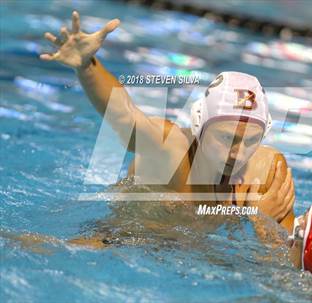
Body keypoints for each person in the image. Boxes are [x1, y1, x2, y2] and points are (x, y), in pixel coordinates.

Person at [40, 11, 295, 225]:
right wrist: (86, 67)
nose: (238, 153)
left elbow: (284, 265)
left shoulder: (267, 172)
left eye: (251, 141)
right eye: (227, 138)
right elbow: (127, 120)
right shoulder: (172, 149)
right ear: (199, 126)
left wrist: (265, 225)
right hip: (127, 241)